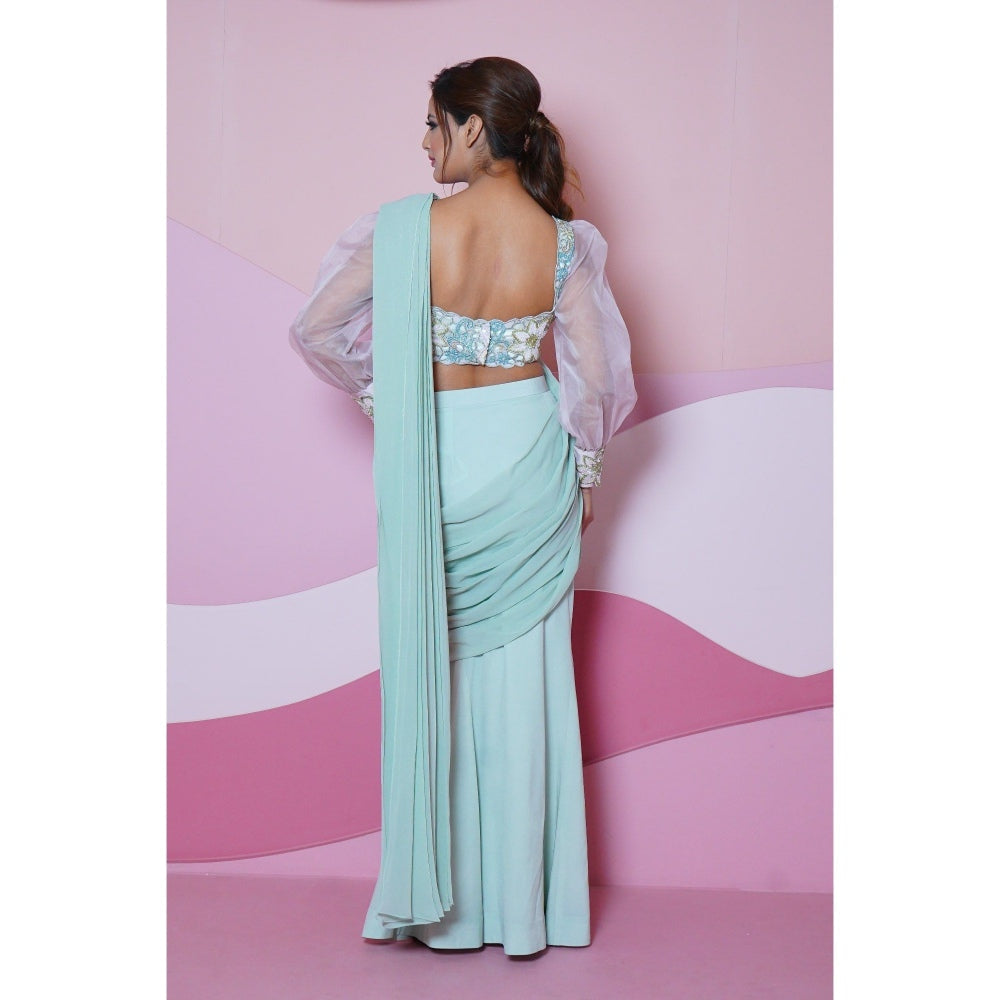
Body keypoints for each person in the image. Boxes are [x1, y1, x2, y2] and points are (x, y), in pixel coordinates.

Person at [288, 56, 637, 958]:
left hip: (435, 467)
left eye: (433, 123)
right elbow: (595, 378)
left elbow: (316, 329)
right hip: (531, 465)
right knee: (526, 691)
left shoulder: (406, 231)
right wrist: (586, 473)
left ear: (474, 129)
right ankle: (526, 913)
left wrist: (387, 402)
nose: (424, 141)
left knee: (433, 681)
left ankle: (442, 906)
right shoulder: (564, 243)